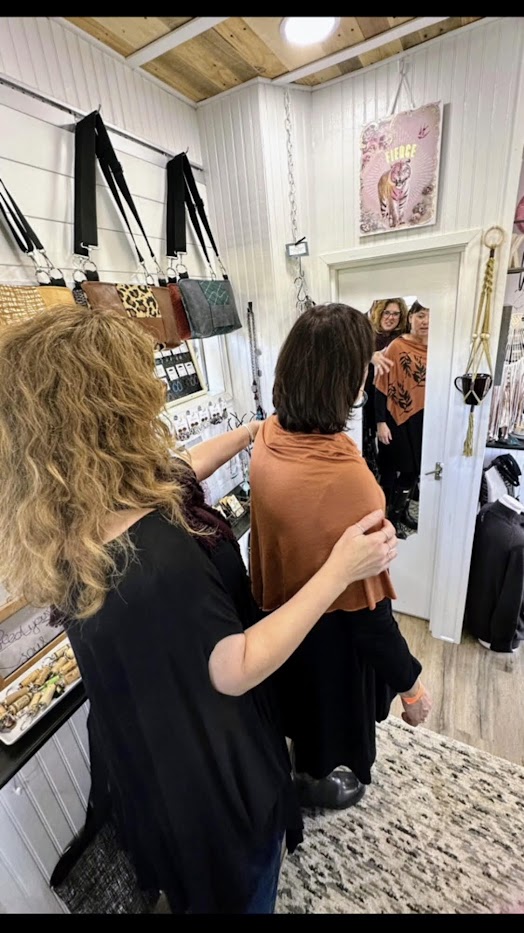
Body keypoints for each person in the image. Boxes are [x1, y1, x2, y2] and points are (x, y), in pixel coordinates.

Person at [0, 304, 400, 915]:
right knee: (238, 885)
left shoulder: (75, 521)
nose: (157, 390)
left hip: (144, 744)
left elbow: (179, 472)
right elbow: (233, 666)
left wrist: (251, 432)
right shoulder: (158, 562)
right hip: (207, 768)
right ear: (108, 407)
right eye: (139, 382)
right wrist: (338, 571)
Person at [249, 303, 432, 812]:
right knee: (329, 717)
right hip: (330, 630)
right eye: (361, 367)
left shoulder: (269, 437)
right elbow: (371, 617)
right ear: (346, 383)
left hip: (280, 614)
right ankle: (317, 781)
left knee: (303, 710)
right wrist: (412, 686)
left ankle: (308, 767)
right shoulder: (345, 479)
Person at [375, 299, 430, 538]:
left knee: (418, 470)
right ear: (410, 318)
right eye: (420, 315)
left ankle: (402, 511)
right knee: (405, 470)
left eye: (429, 315)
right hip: (396, 419)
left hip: (425, 417)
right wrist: (380, 423)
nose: (425, 321)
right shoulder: (397, 346)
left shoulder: (439, 348)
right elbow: (380, 386)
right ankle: (392, 518)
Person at [362, 298, 409, 502]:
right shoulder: (366, 336)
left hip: (393, 402)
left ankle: (389, 503)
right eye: (387, 313)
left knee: (390, 451)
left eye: (395, 314)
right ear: (379, 312)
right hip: (367, 400)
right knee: (365, 448)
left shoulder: (402, 339)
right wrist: (369, 356)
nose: (390, 317)